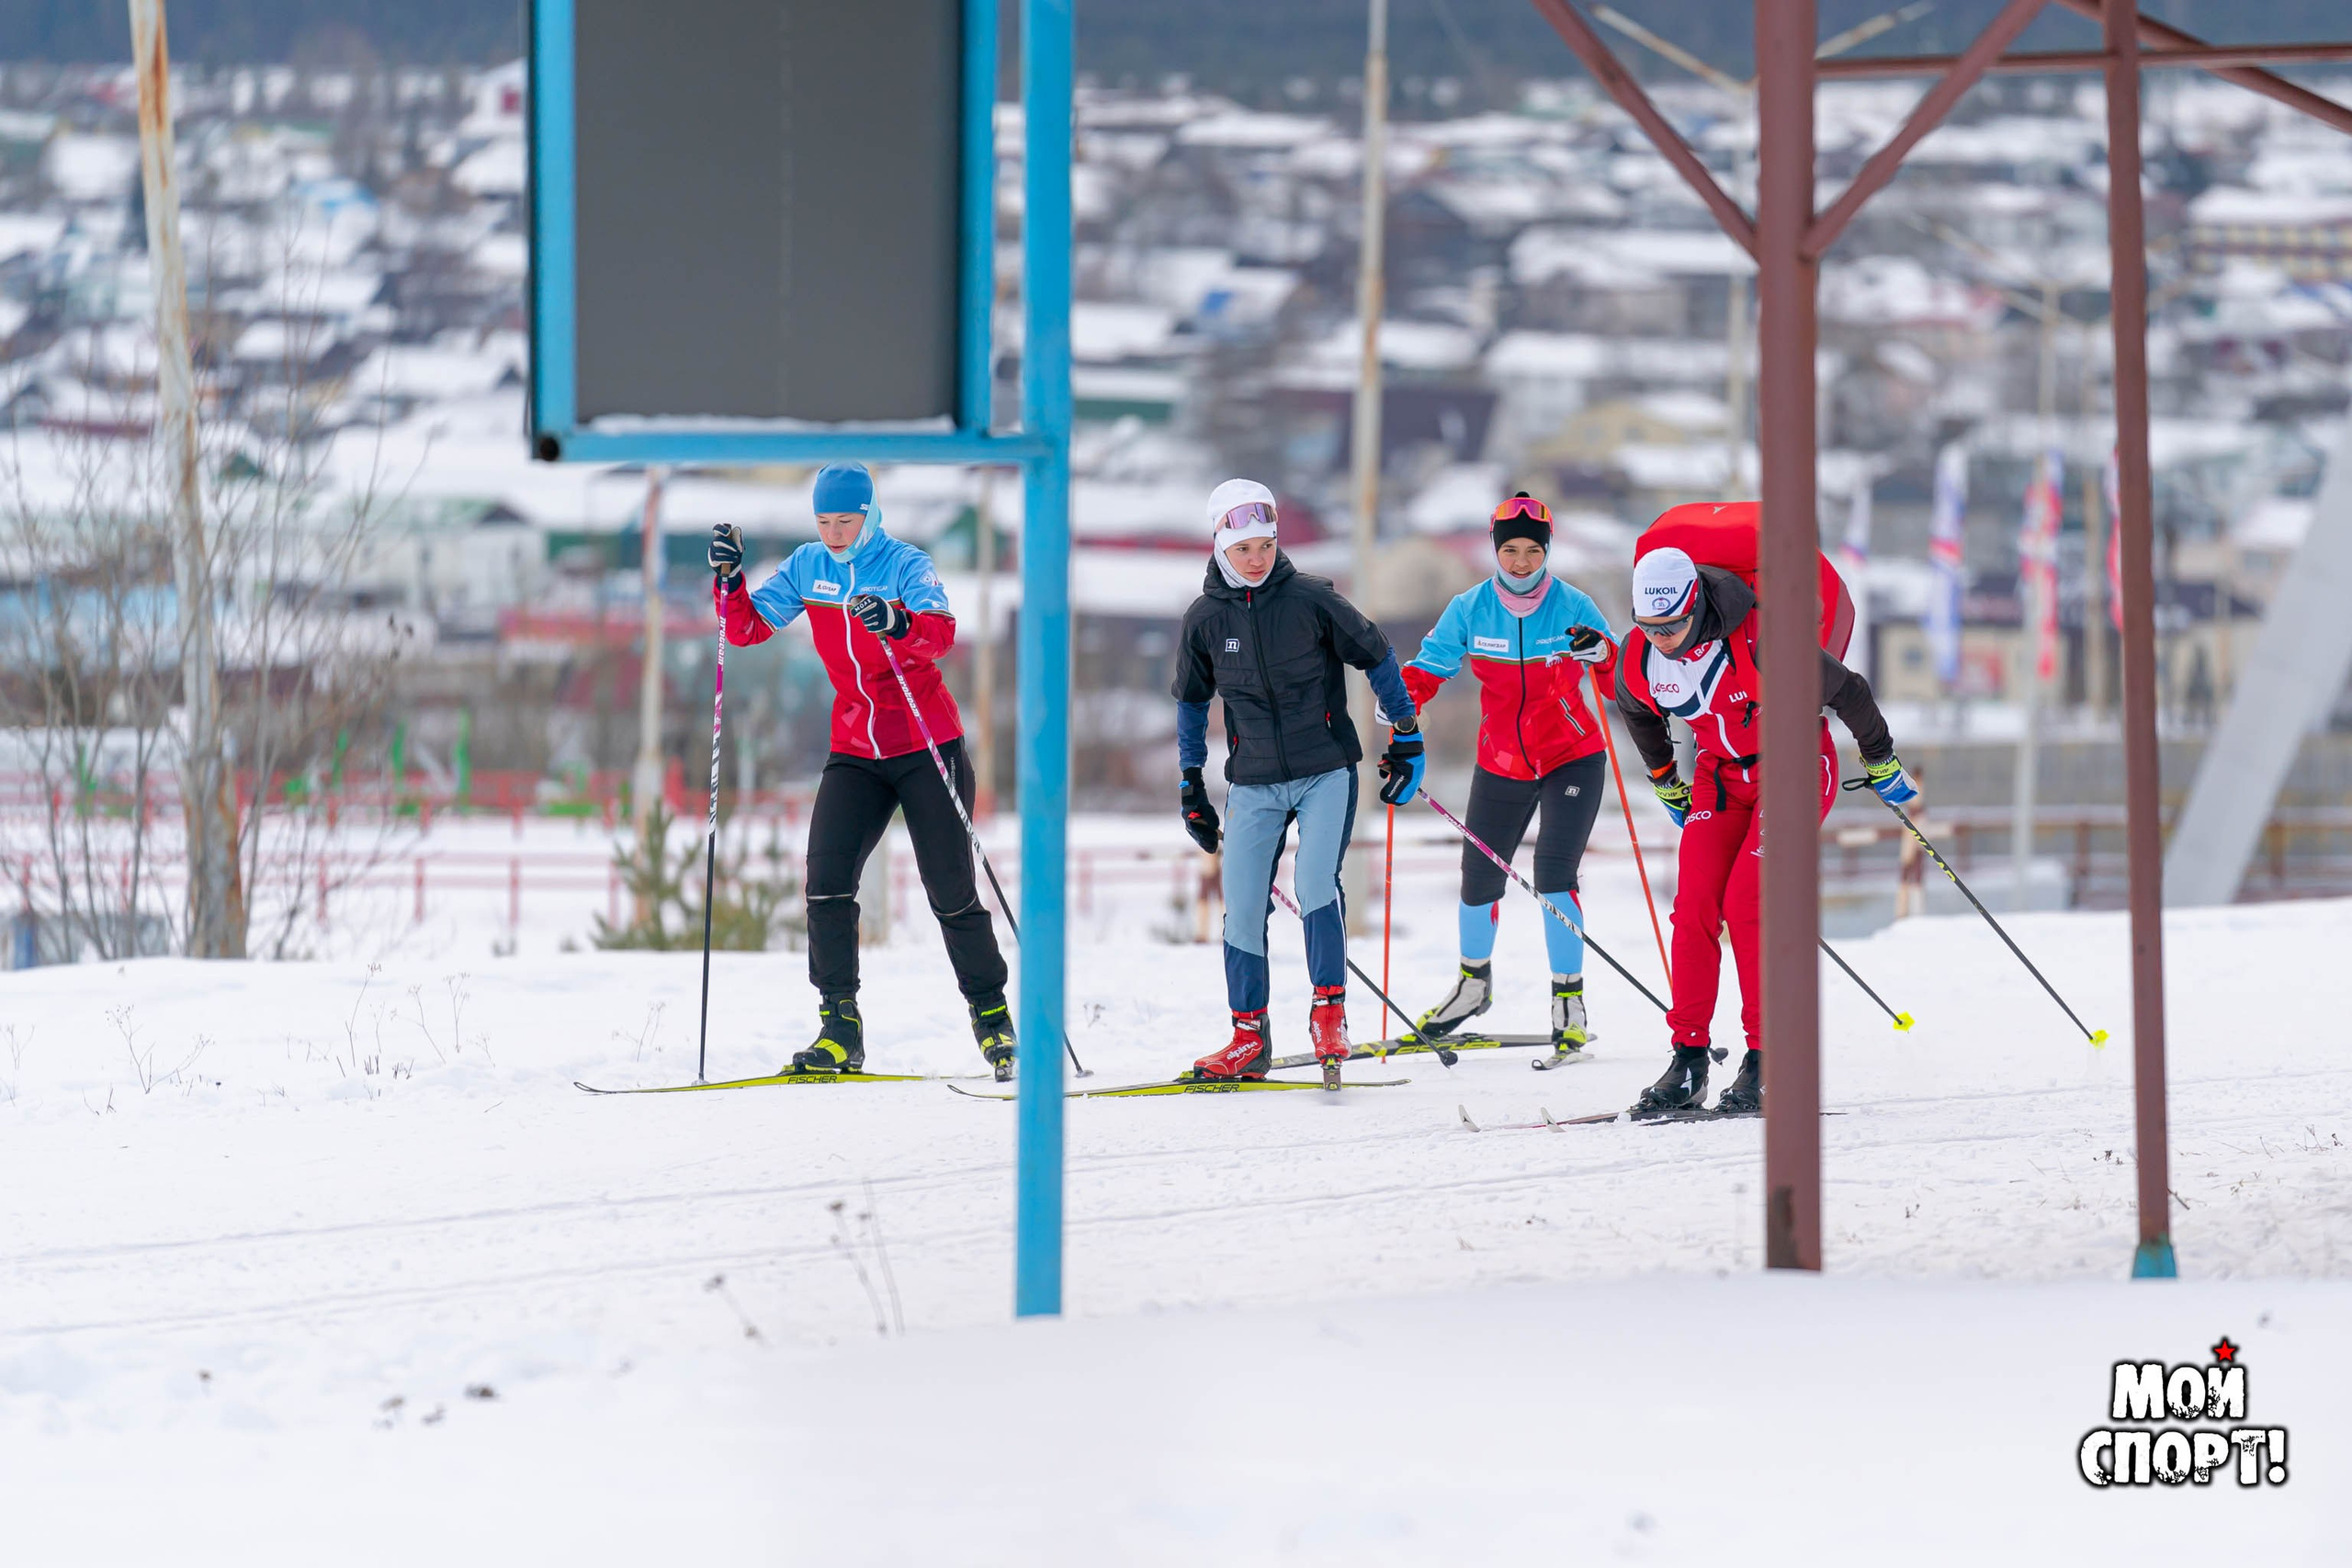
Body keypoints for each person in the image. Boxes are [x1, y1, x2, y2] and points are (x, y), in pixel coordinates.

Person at [709, 461, 1016, 1079]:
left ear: (870, 514)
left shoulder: (905, 564)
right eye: (824, 521)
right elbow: (745, 628)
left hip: (925, 741)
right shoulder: (808, 566)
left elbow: (941, 633)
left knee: (950, 889)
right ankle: (839, 1026)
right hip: (856, 747)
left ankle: (994, 1022)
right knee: (825, 879)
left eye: (845, 520)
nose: (834, 532)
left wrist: (898, 622)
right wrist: (729, 579)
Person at [1613, 543, 1917, 1115]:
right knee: (1696, 903)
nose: (1663, 638)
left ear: (1696, 604)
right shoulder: (1641, 657)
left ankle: (1768, 1058)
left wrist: (1879, 759)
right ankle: (1689, 1058)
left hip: (1796, 766)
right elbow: (1633, 706)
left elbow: (1848, 690)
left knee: (1746, 901)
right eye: (1650, 627)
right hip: (1719, 778)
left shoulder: (1757, 637)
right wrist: (1662, 777)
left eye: (1674, 624)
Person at [1170, 479, 1424, 1079]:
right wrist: (1190, 785)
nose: (1256, 558)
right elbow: (1189, 703)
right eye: (1242, 549)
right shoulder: (1204, 619)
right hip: (1253, 779)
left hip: (1325, 769)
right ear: (1219, 548)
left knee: (1316, 883)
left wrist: (1406, 734)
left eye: (1264, 544)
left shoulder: (1311, 599)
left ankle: (1329, 1015)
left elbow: (1377, 652)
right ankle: (1247, 1037)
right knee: (1241, 906)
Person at [1399, 492, 1619, 1069]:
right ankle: (1474, 987)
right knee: (1477, 877)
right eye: (1510, 550)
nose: (1521, 562)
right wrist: (1400, 701)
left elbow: (1623, 677)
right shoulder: (1470, 609)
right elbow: (1430, 666)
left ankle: (1568, 1004)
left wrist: (1603, 654)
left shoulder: (1574, 605)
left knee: (1553, 873)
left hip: (1573, 755)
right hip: (1501, 760)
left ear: (1546, 551)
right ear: (1494, 550)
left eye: (1531, 551)